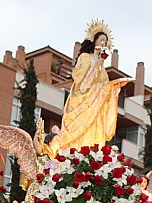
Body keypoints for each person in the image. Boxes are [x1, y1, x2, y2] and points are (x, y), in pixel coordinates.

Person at [39, 20, 130, 158]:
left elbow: (103, 85)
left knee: (94, 131)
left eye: (105, 42)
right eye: (101, 40)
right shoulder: (85, 58)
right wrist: (95, 64)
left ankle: (92, 157)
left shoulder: (102, 69)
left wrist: (113, 90)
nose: (103, 44)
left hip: (95, 107)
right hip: (82, 103)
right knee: (76, 135)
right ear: (94, 41)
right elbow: (82, 83)